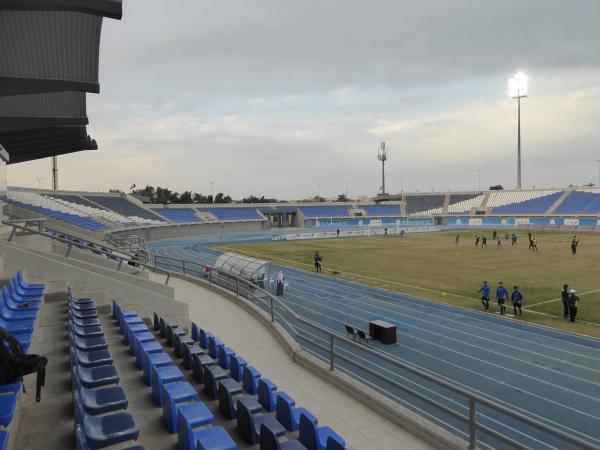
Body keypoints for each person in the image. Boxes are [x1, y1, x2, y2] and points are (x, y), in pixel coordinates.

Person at [0, 326, 47, 402]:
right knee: (40, 360)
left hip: (8, 366)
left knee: (39, 359)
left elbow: (12, 344)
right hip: (6, 374)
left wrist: (17, 356)